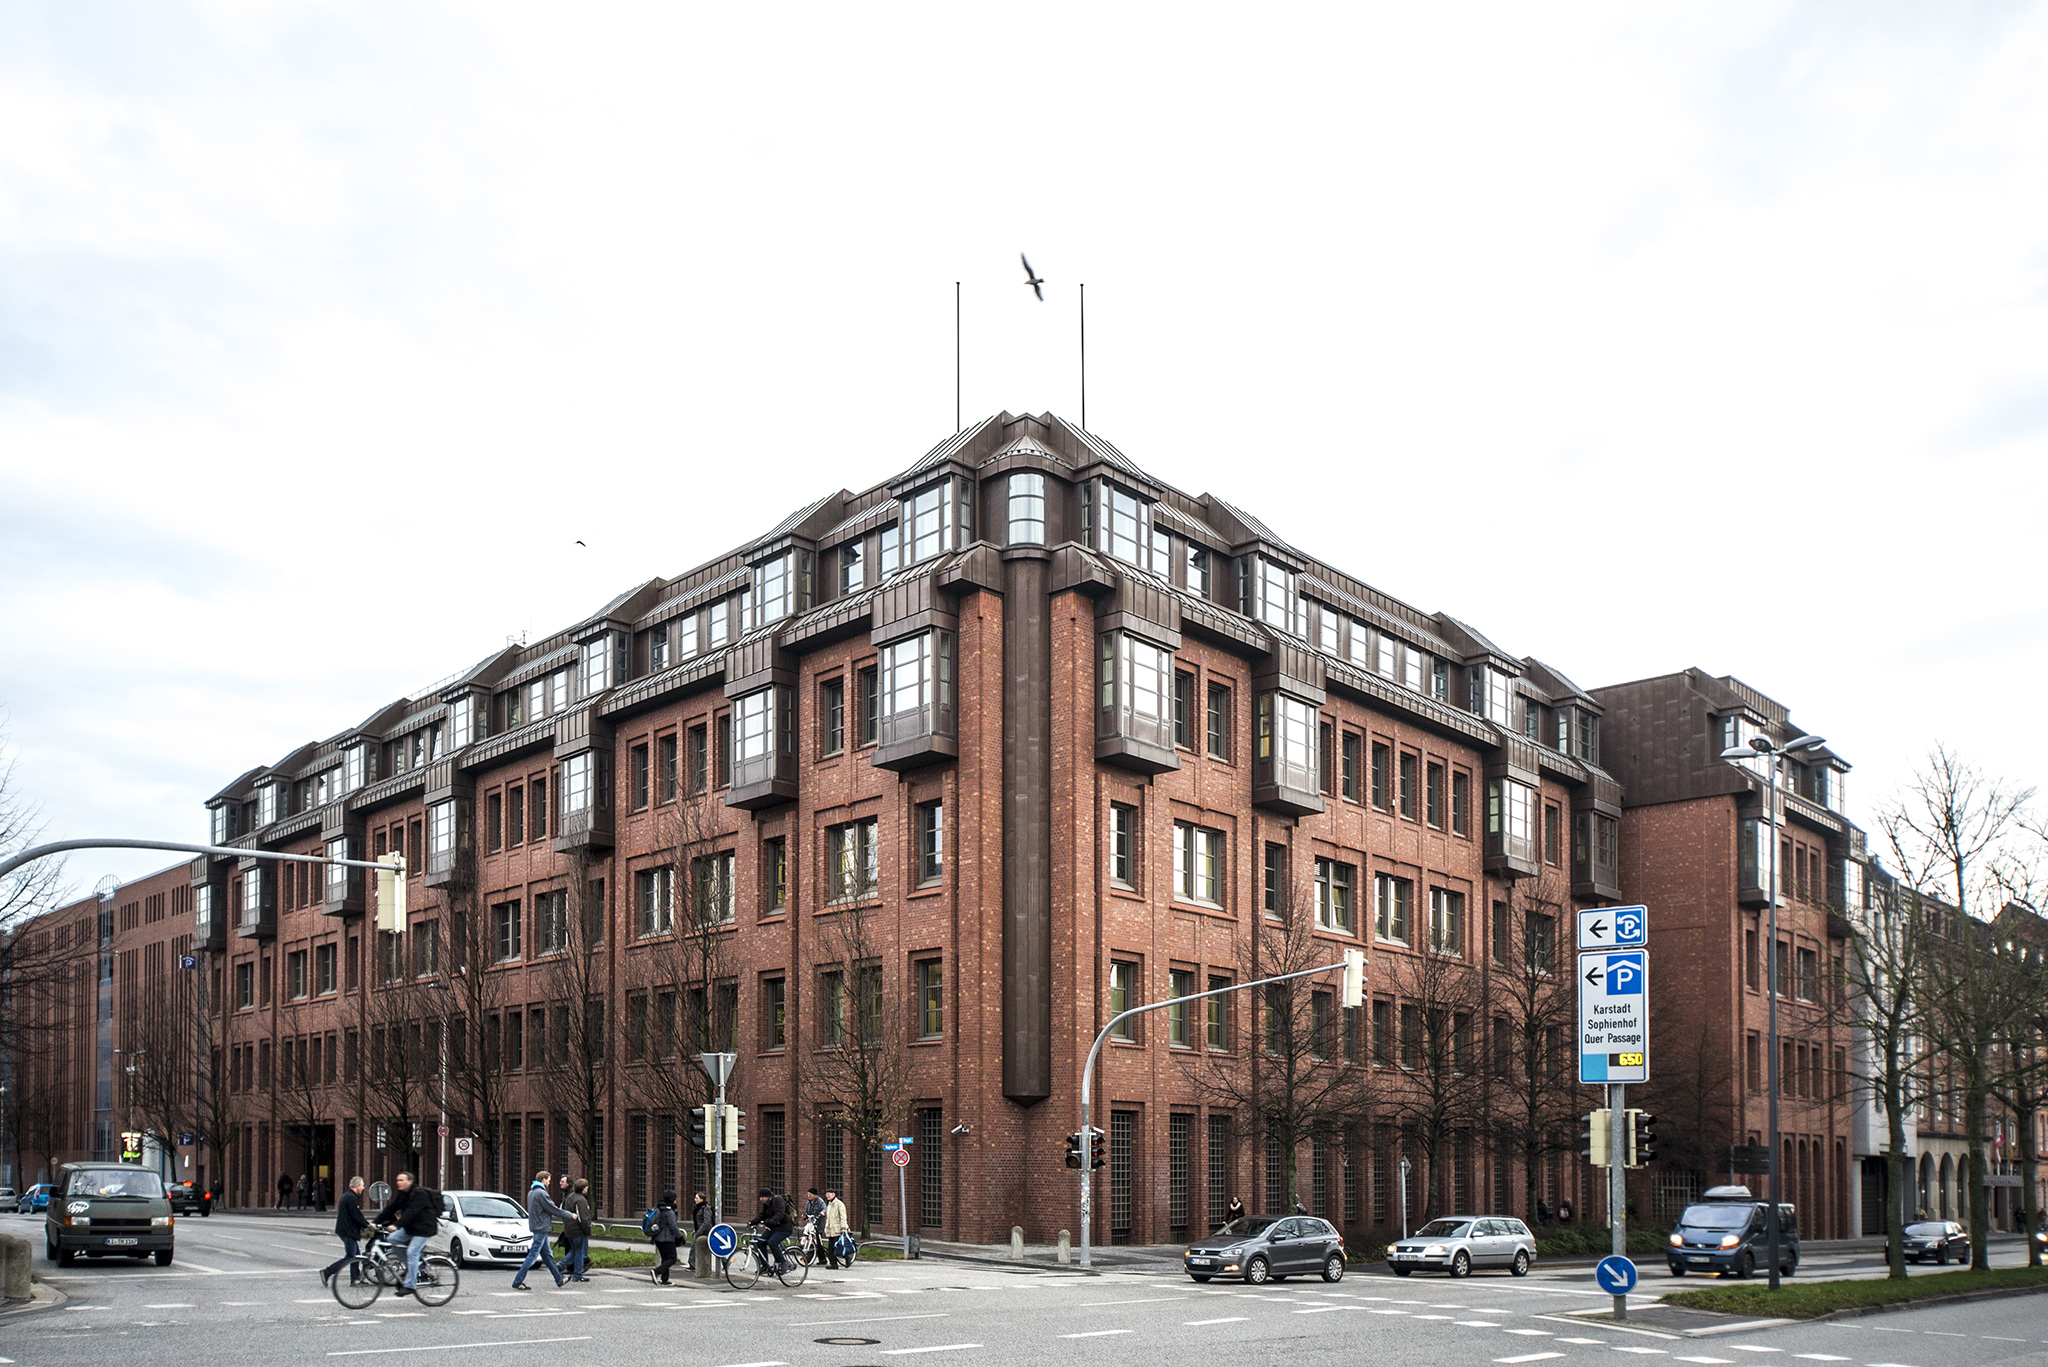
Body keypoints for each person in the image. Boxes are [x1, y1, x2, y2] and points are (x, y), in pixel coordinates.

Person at [374, 1171, 441, 1298]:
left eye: (401, 1180)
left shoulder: (419, 1194)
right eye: (397, 1180)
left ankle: (410, 1285)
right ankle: (410, 1268)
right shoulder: (402, 1194)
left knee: (412, 1252)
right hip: (411, 1228)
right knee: (392, 1239)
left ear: (410, 1182)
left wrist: (396, 1225)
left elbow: (411, 1212)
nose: (398, 1182)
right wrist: (375, 1222)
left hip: (425, 1228)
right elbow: (391, 1208)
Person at [511, 1170, 572, 1290]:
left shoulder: (531, 1192)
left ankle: (559, 1279)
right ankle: (518, 1281)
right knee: (533, 1255)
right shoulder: (541, 1193)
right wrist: (570, 1215)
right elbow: (553, 1209)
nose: (549, 1183)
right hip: (541, 1228)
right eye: (548, 1180)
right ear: (543, 1180)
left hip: (537, 1226)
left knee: (547, 1256)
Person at [321, 1176, 371, 1286]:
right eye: (362, 1185)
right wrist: (367, 1225)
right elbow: (356, 1215)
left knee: (356, 1256)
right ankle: (327, 1272)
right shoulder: (351, 1198)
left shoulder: (347, 1196)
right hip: (348, 1231)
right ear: (357, 1186)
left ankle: (355, 1279)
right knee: (351, 1257)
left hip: (345, 1230)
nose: (363, 1188)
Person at [562, 1178, 593, 1282]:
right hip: (578, 1230)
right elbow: (583, 1218)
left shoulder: (570, 1197)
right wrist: (587, 1230)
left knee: (575, 1250)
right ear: (584, 1189)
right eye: (587, 1187)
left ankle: (567, 1268)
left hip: (569, 1229)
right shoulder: (581, 1200)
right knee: (580, 1252)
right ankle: (575, 1273)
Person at [757, 1187, 794, 1271]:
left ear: (768, 1196)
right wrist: (752, 1222)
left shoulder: (778, 1200)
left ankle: (783, 1262)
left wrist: (770, 1222)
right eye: (760, 1197)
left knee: (772, 1242)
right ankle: (765, 1265)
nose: (761, 1199)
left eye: (763, 1197)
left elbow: (780, 1214)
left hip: (785, 1227)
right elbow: (762, 1215)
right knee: (760, 1242)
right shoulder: (766, 1203)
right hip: (773, 1228)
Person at [650, 1190, 682, 1285]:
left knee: (665, 1258)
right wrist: (680, 1237)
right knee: (672, 1258)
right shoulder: (669, 1212)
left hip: (657, 1238)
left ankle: (665, 1279)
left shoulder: (659, 1209)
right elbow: (673, 1226)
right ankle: (656, 1271)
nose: (676, 1201)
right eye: (675, 1199)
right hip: (667, 1239)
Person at [822, 1187, 850, 1269]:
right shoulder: (829, 1204)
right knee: (830, 1248)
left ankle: (847, 1257)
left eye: (829, 1194)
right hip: (831, 1230)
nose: (827, 1196)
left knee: (837, 1247)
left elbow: (843, 1216)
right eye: (826, 1194)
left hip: (837, 1229)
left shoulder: (839, 1204)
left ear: (833, 1194)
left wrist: (843, 1227)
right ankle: (833, 1264)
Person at [690, 1191, 714, 1280]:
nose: (695, 1200)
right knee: (693, 1246)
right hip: (699, 1231)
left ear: (702, 1199)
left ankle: (724, 1261)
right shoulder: (698, 1208)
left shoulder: (706, 1208)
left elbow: (706, 1221)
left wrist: (699, 1231)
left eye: (697, 1198)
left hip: (705, 1231)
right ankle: (692, 1264)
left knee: (713, 1247)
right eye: (695, 1198)